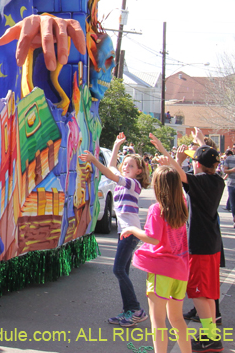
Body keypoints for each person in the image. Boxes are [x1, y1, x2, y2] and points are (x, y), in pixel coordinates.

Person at [152, 131, 225, 353]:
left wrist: (164, 151)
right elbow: (206, 159)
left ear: (198, 165)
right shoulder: (217, 180)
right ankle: (210, 334)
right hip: (212, 243)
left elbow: (178, 173)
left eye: (194, 160)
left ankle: (211, 338)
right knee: (209, 293)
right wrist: (202, 141)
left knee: (199, 294)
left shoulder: (200, 181)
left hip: (200, 244)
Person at [79, 131, 152, 327]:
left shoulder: (132, 183)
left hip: (130, 232)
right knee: (123, 271)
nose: (126, 167)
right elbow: (112, 167)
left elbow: (109, 172)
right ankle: (129, 310)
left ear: (139, 171)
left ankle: (136, 309)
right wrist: (117, 144)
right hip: (125, 232)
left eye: (131, 165)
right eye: (125, 164)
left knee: (118, 270)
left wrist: (94, 159)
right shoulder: (122, 179)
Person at [122, 165, 191, 353]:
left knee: (158, 319)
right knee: (177, 319)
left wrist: (132, 229)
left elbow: (153, 238)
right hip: (181, 270)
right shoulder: (182, 206)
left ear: (158, 186)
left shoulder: (157, 209)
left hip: (162, 270)